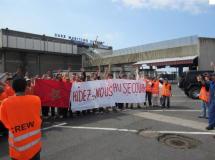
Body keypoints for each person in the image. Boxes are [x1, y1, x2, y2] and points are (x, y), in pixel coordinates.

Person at [0, 78, 42, 160]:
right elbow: (39, 116)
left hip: (17, 150)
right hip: (35, 147)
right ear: (26, 87)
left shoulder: (5, 103)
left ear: (13, 88)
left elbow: (4, 121)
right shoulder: (36, 99)